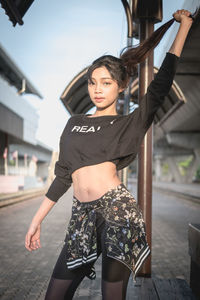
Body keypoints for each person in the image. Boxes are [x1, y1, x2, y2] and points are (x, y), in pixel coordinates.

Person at [25, 9, 196, 300]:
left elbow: (162, 83)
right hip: (81, 216)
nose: (97, 89)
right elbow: (63, 176)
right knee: (54, 295)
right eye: (93, 82)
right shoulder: (74, 123)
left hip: (118, 214)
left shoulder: (128, 122)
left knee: (112, 296)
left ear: (121, 86)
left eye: (106, 83)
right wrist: (36, 220)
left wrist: (184, 28)